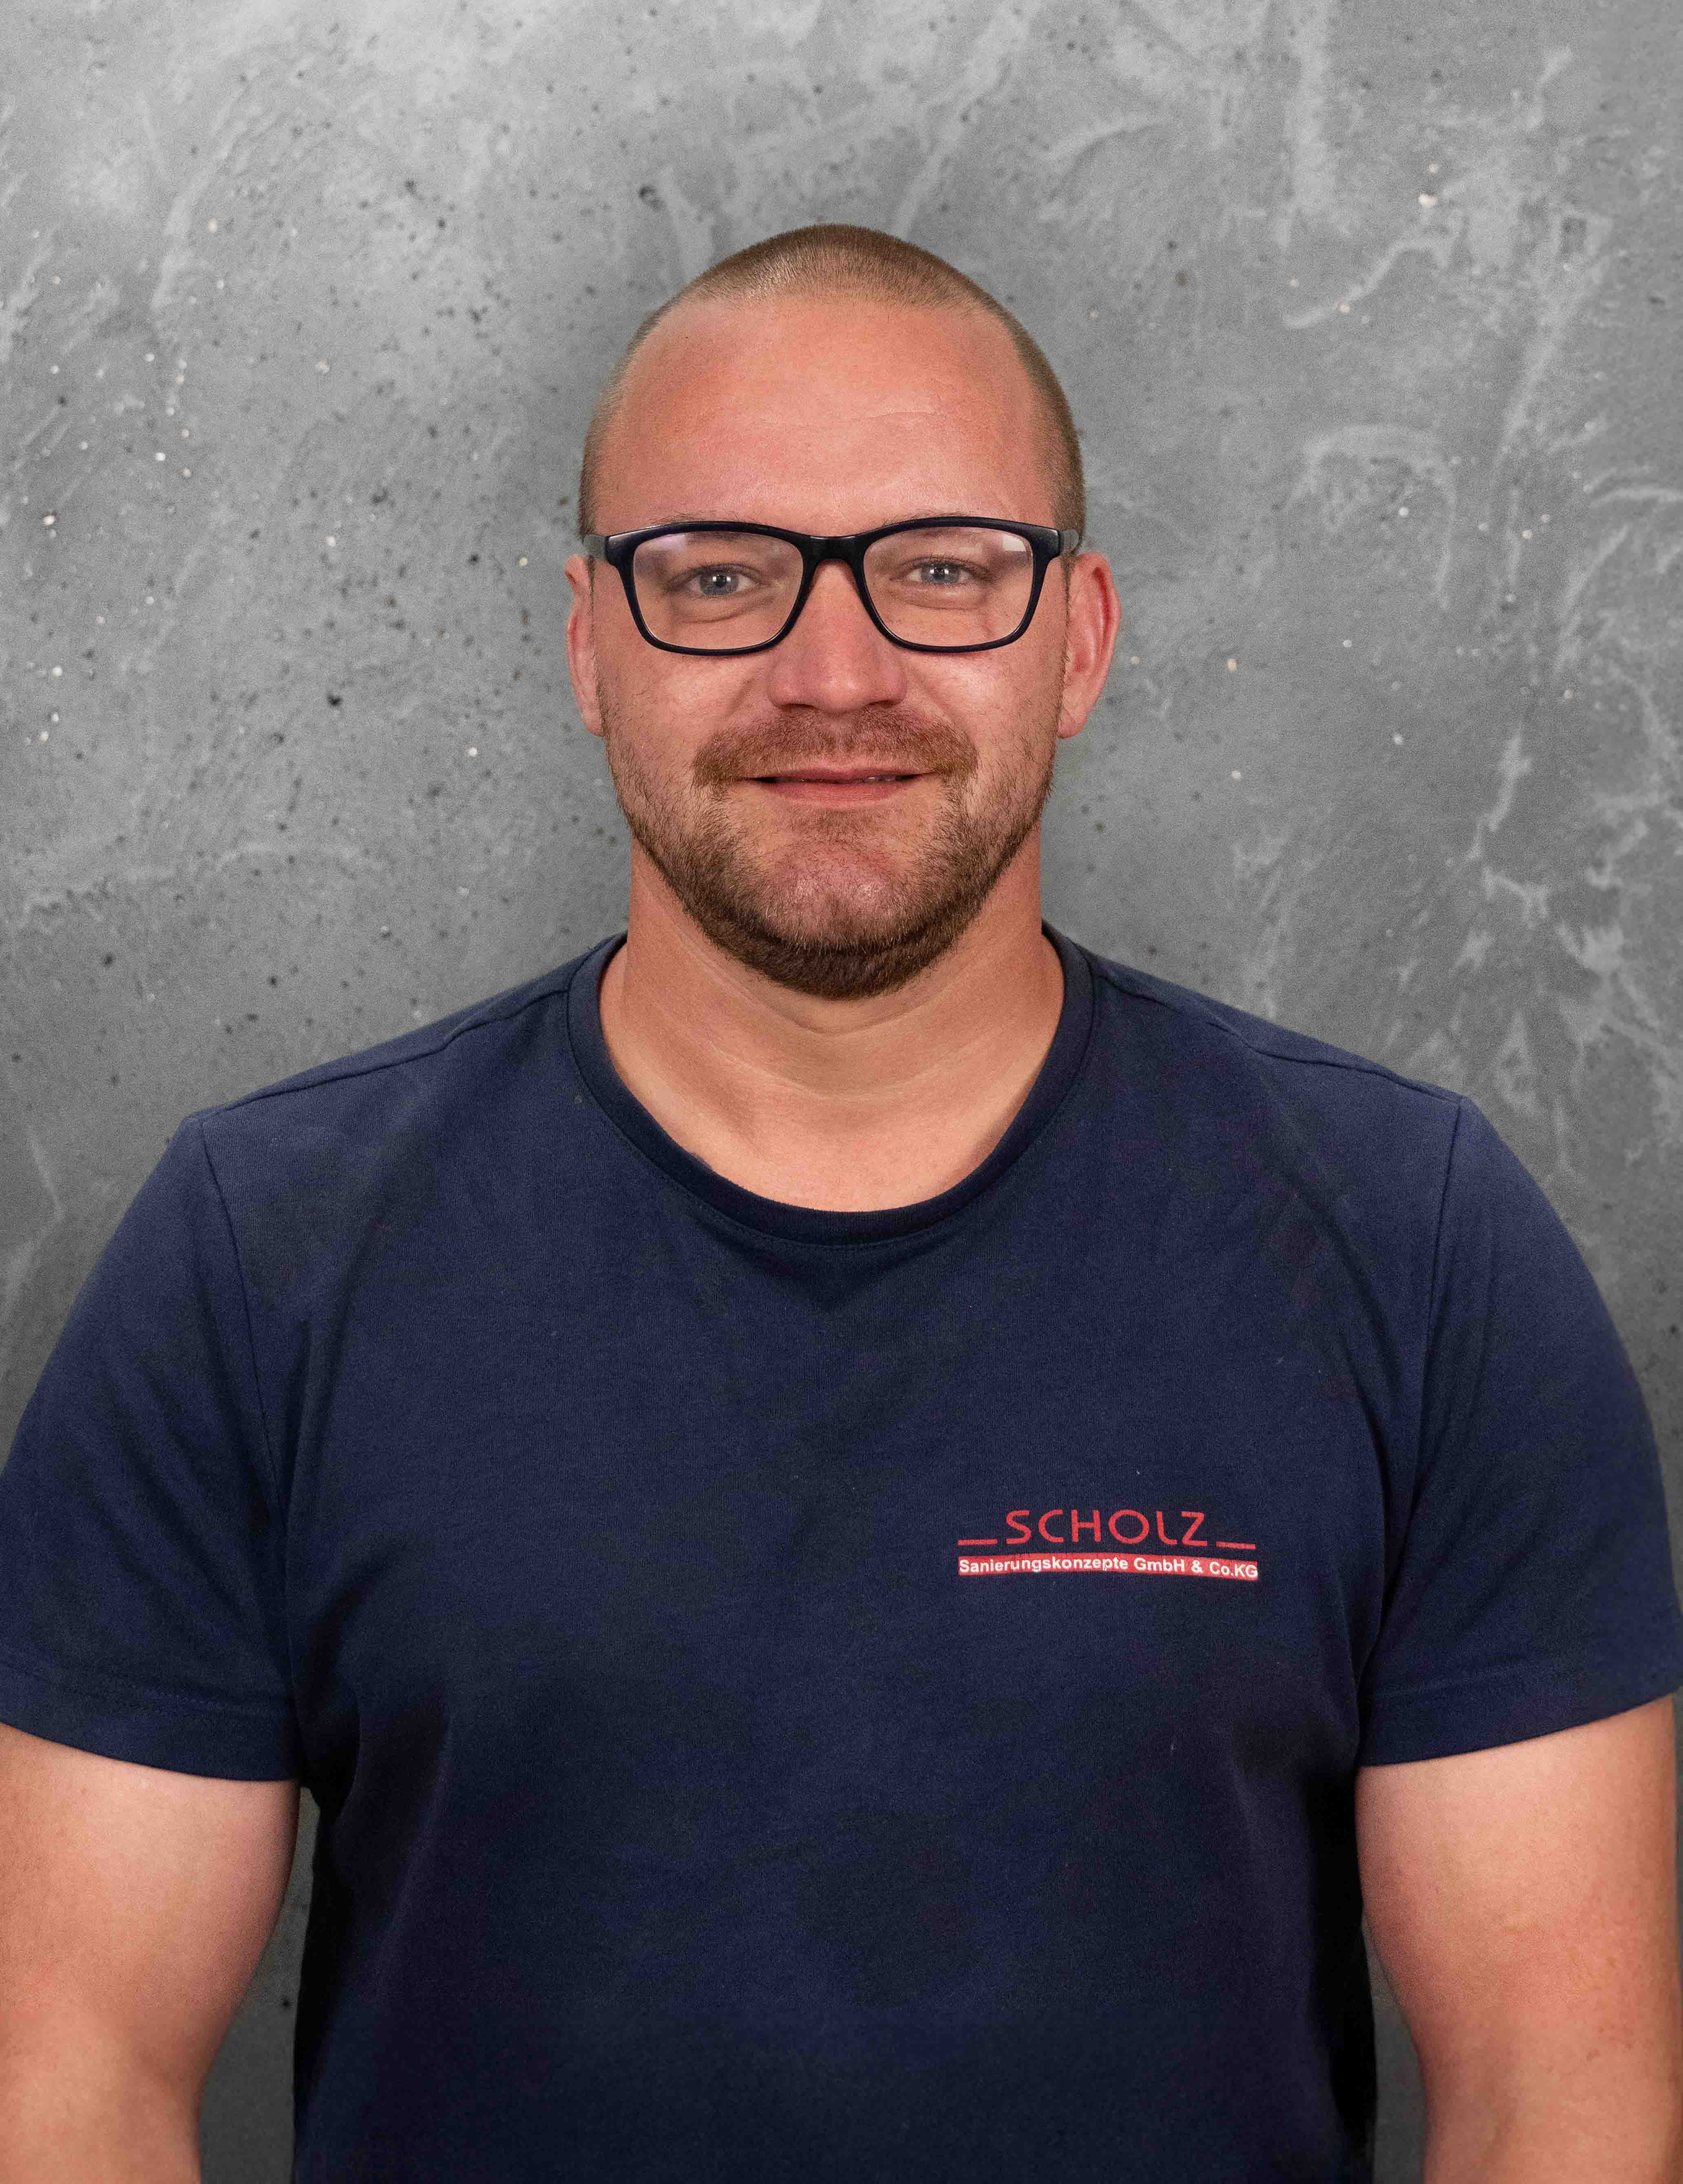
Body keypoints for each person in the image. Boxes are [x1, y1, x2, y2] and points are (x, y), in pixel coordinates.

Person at [0, 223, 1679, 2184]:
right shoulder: (259, 1259)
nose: (834, 672)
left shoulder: (1415, 1247)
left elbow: (1561, 2103)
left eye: (944, 569)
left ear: (1081, 639)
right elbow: (68, 2083)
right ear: (587, 644)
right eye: (718, 575)